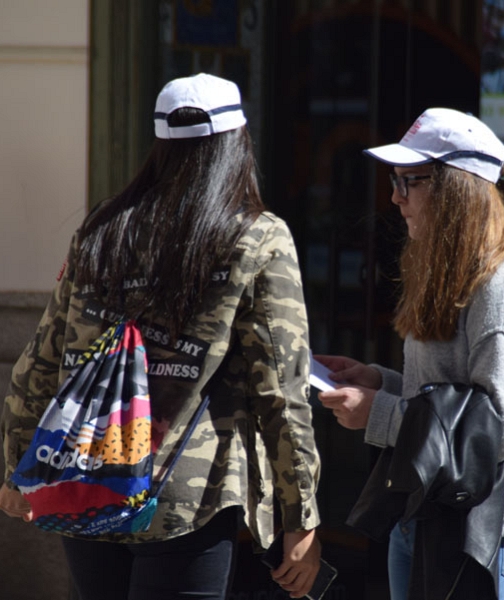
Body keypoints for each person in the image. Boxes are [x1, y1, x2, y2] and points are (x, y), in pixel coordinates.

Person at [0, 73, 322, 600]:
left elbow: (40, 361)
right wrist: (300, 516)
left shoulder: (103, 230)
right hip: (185, 500)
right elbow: (282, 394)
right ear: (238, 143)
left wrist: (18, 471)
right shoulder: (258, 237)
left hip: (87, 482)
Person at [316, 108, 504, 600]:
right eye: (394, 180)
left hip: (478, 534)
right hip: (425, 514)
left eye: (410, 180)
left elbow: (494, 432)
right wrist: (379, 381)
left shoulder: (498, 292)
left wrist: (377, 413)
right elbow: (446, 397)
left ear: (457, 190)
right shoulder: (452, 274)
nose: (395, 196)